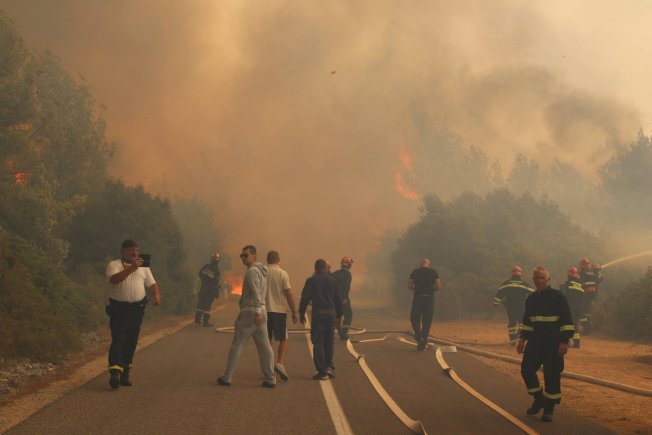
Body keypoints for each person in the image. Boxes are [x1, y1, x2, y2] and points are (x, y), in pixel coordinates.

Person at [517, 266, 574, 422]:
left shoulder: (558, 297)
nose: (539, 280)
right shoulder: (531, 299)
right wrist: (522, 339)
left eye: (542, 278)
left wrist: (565, 341)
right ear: (533, 279)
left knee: (552, 375)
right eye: (536, 278)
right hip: (535, 342)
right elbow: (527, 322)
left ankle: (549, 409)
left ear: (548, 279)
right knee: (527, 370)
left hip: (553, 342)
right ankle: (539, 399)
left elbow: (567, 320)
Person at [105, 239, 161, 389]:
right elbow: (114, 280)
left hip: (136, 309)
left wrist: (156, 294)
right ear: (123, 251)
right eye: (131, 250)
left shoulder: (143, 266)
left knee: (131, 340)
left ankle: (125, 373)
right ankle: (115, 372)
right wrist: (131, 268)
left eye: (136, 250)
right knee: (119, 338)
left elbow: (152, 283)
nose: (134, 253)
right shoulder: (114, 265)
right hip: (119, 309)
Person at [217, 245, 276, 388]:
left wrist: (257, 311)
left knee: (237, 345)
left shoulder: (252, 272)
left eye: (246, 255)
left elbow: (256, 292)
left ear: (254, 256)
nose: (243, 258)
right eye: (241, 256)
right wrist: (260, 311)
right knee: (265, 347)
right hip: (261, 311)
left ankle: (227, 377)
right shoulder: (261, 271)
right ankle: (270, 379)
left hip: (251, 312)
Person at [299, 259, 343, 380]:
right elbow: (338, 300)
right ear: (325, 268)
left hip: (318, 315)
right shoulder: (333, 281)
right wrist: (339, 316)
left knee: (318, 342)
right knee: (329, 342)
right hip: (331, 315)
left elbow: (305, 298)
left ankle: (322, 372)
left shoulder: (311, 280)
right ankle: (328, 367)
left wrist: (301, 314)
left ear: (315, 268)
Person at [265, 250, 298, 381]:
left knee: (266, 340)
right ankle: (280, 363)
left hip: (263, 311)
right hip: (279, 312)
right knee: (283, 338)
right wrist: (294, 311)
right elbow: (289, 294)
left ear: (267, 260)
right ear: (278, 260)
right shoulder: (283, 273)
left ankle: (268, 367)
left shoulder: (262, 272)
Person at [493, 265, 534, 344]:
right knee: (522, 322)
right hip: (520, 307)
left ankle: (512, 340)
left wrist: (495, 303)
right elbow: (532, 293)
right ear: (520, 274)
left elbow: (499, 293)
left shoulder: (506, 283)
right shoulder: (523, 284)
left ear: (512, 273)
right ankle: (519, 337)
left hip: (510, 307)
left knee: (512, 323)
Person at [407, 258, 441, 351]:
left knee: (414, 318)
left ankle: (419, 337)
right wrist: (431, 290)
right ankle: (424, 339)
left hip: (418, 298)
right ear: (429, 264)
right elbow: (438, 285)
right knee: (427, 320)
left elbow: (409, 285)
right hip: (429, 298)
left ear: (421, 264)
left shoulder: (415, 271)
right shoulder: (434, 272)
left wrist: (416, 289)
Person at [194, 252, 221, 327]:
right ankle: (205, 322)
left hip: (203, 289)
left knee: (200, 304)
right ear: (218, 260)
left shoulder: (206, 266)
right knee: (207, 306)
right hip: (210, 291)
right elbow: (216, 281)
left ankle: (197, 320)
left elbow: (200, 274)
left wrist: (205, 279)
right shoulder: (216, 270)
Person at [561, 267, 584, 348]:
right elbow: (583, 297)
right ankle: (576, 342)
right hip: (578, 307)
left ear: (569, 275)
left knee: (566, 323)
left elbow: (564, 296)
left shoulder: (567, 284)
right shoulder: (580, 285)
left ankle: (567, 342)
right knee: (574, 323)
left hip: (570, 306)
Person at [332, 257, 354, 341]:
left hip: (333, 298)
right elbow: (346, 287)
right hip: (343, 298)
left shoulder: (335, 273)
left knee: (336, 316)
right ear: (349, 265)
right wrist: (344, 298)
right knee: (348, 315)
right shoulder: (347, 274)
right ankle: (343, 333)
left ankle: (332, 333)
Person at [578, 258, 602, 335]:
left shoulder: (582, 273)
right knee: (586, 311)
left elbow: (578, 281)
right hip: (592, 295)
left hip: (585, 295)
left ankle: (585, 328)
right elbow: (600, 278)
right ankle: (588, 328)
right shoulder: (593, 273)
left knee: (582, 311)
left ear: (582, 266)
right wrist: (598, 270)